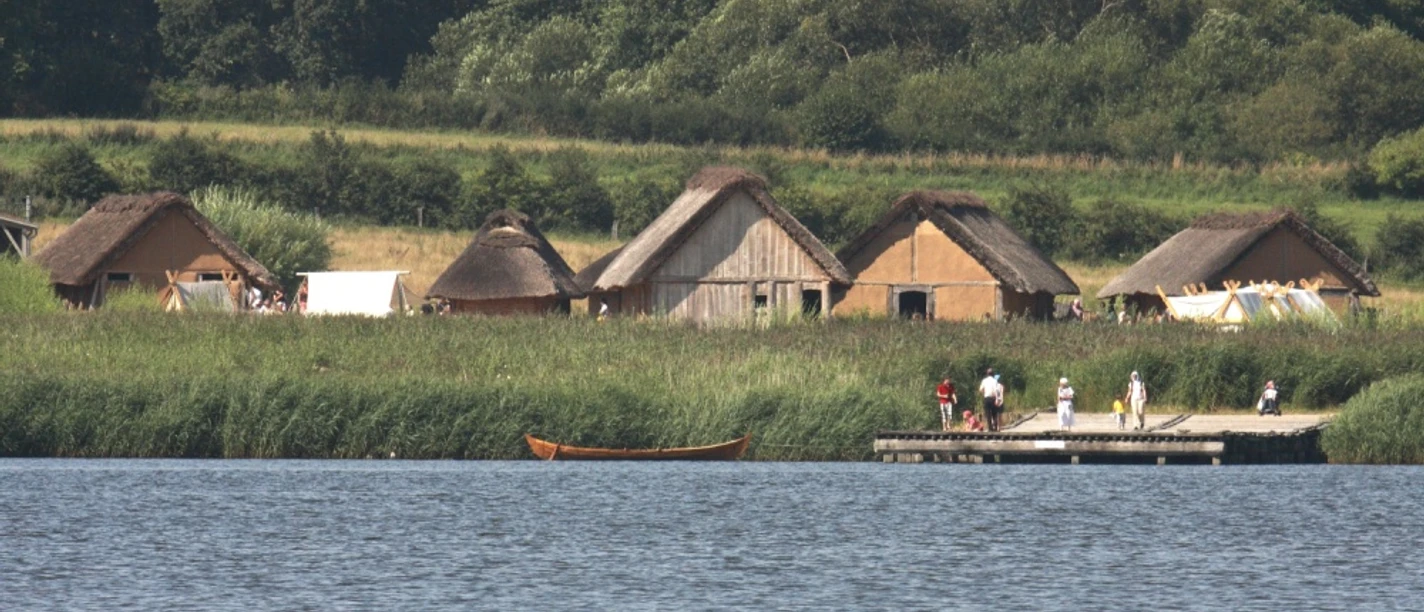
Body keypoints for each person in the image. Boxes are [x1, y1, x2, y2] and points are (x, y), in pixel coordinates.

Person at [978, 368, 999, 432]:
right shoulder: (995, 381)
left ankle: (990, 428)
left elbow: (980, 389)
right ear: (993, 374)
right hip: (993, 398)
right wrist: (997, 399)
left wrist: (984, 392)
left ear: (987, 374)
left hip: (986, 398)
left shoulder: (984, 380)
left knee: (988, 414)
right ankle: (995, 428)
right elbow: (996, 390)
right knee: (994, 413)